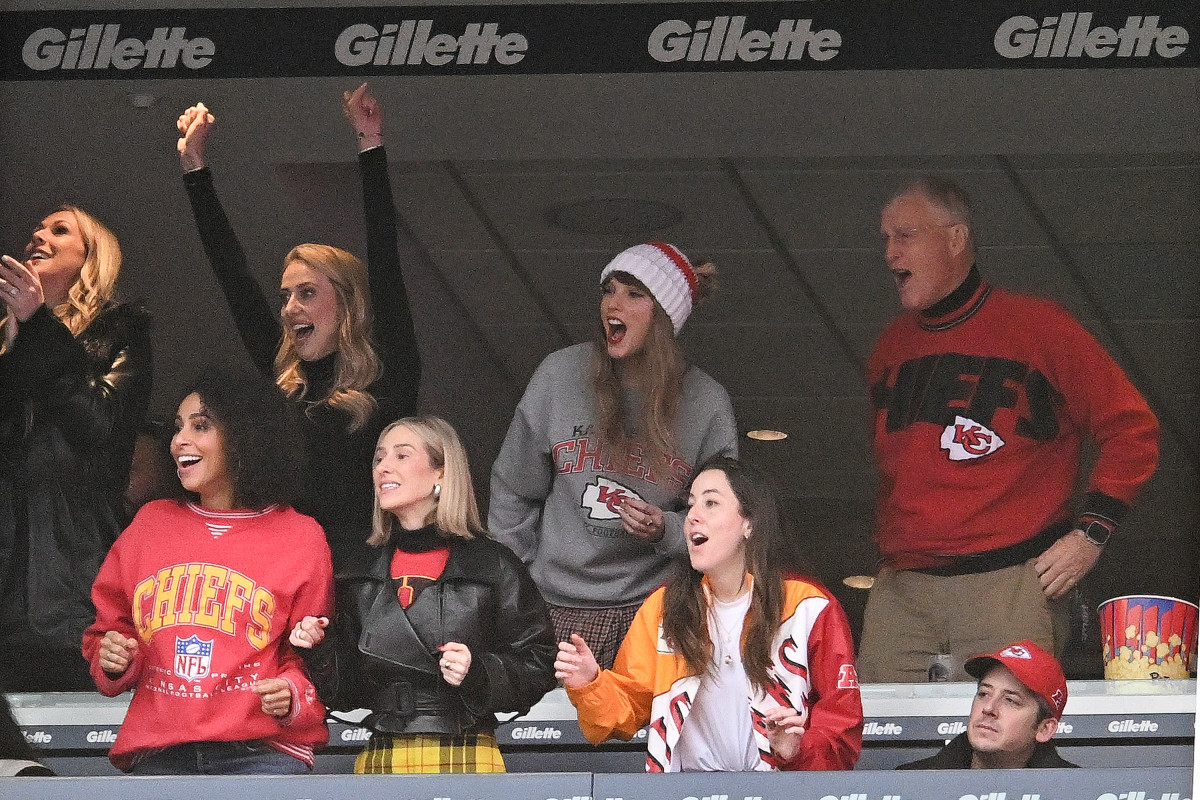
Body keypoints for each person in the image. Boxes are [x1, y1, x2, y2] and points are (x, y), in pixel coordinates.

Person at [858, 176, 1160, 682]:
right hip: (901, 589)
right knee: (883, 746)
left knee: (1008, 747)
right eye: (885, 238)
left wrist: (1091, 534)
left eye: (905, 236)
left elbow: (1131, 428)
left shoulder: (1041, 327)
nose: (889, 253)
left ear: (956, 239)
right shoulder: (890, 346)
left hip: (1010, 582)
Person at [176, 83, 420, 577]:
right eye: (285, 295)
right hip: (283, 571)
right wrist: (195, 172)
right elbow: (234, 278)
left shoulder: (388, 370)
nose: (289, 309)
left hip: (364, 575)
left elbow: (386, 257)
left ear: (346, 302)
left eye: (307, 292)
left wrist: (370, 144)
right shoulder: (285, 374)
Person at [490, 242, 737, 669]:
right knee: (546, 733)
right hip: (551, 605)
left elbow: (727, 523)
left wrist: (666, 528)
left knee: (642, 735)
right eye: (609, 289)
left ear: (664, 316)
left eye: (634, 294)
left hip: (653, 608)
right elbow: (514, 488)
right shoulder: (559, 375)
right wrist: (517, 584)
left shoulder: (706, 403)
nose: (613, 304)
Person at [82, 366, 333, 774]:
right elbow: (108, 633)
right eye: (178, 427)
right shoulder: (150, 524)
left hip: (261, 753)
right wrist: (114, 656)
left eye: (200, 426)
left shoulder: (300, 536)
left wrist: (291, 692)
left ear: (246, 437)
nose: (180, 440)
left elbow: (315, 655)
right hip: (161, 752)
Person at [555, 456, 863, 772]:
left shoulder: (808, 605)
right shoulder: (664, 607)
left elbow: (841, 722)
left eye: (711, 503)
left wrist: (794, 751)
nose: (693, 517)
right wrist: (590, 682)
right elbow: (627, 709)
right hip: (686, 791)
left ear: (750, 523)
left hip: (782, 792)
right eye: (691, 505)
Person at [289, 415, 557, 774]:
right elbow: (347, 692)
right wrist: (321, 647)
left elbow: (539, 663)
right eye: (379, 458)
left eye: (401, 456)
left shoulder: (494, 564)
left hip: (468, 751)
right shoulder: (356, 569)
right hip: (382, 749)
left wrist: (478, 672)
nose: (383, 467)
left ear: (441, 473)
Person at [0, 206, 152, 691]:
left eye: (59, 230)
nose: (38, 236)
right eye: (37, 228)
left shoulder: (121, 333)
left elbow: (96, 424)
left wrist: (39, 328)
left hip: (71, 579)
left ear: (92, 258)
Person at [899, 641, 1076, 769]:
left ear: (1045, 729)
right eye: (983, 694)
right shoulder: (909, 783)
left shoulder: (1079, 792)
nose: (989, 708)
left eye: (1010, 700)